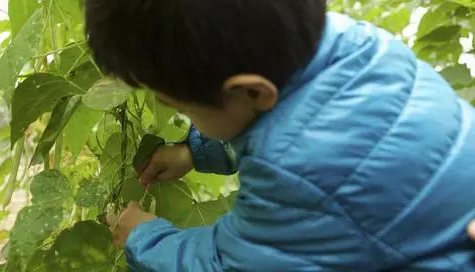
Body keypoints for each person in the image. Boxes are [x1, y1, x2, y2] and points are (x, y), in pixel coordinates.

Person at [86, 0, 475, 270]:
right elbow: (294, 117)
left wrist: (144, 238)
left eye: (184, 108)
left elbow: (232, 265)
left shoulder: (299, 171)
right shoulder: (354, 44)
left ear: (252, 90)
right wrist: (196, 150)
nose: (182, 115)